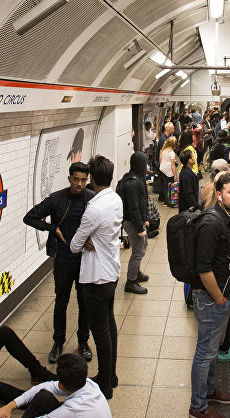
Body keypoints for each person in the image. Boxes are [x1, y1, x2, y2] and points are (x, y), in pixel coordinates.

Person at [23, 161, 96, 364]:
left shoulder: (91, 199)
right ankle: (58, 342)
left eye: (83, 180)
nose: (80, 184)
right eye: (76, 180)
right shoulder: (56, 199)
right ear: (69, 179)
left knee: (84, 303)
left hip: (84, 260)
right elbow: (29, 217)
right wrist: (52, 228)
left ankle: (83, 342)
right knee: (61, 302)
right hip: (63, 259)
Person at [188, 172, 230, 418]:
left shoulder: (227, 218)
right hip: (212, 299)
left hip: (223, 295)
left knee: (210, 352)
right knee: (204, 353)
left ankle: (209, 392)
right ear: (219, 195)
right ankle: (198, 406)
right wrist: (219, 298)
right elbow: (203, 269)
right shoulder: (212, 222)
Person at [70, 155, 122, 399]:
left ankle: (105, 384)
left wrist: (86, 240)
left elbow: (74, 245)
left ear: (91, 179)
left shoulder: (94, 209)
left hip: (95, 278)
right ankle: (111, 375)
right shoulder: (115, 199)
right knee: (110, 325)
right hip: (111, 272)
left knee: (100, 331)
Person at [115, 152, 150, 295]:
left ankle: (136, 273)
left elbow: (142, 202)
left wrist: (145, 218)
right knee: (138, 250)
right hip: (132, 222)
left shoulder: (134, 178)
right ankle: (131, 281)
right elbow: (133, 207)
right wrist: (140, 227)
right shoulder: (132, 183)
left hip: (136, 220)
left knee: (143, 245)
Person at [158, 136, 179, 205]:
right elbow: (173, 165)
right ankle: (170, 201)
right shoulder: (171, 153)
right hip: (168, 171)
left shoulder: (164, 150)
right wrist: (175, 175)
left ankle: (165, 202)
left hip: (163, 169)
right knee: (171, 186)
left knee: (165, 185)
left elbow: (160, 159)